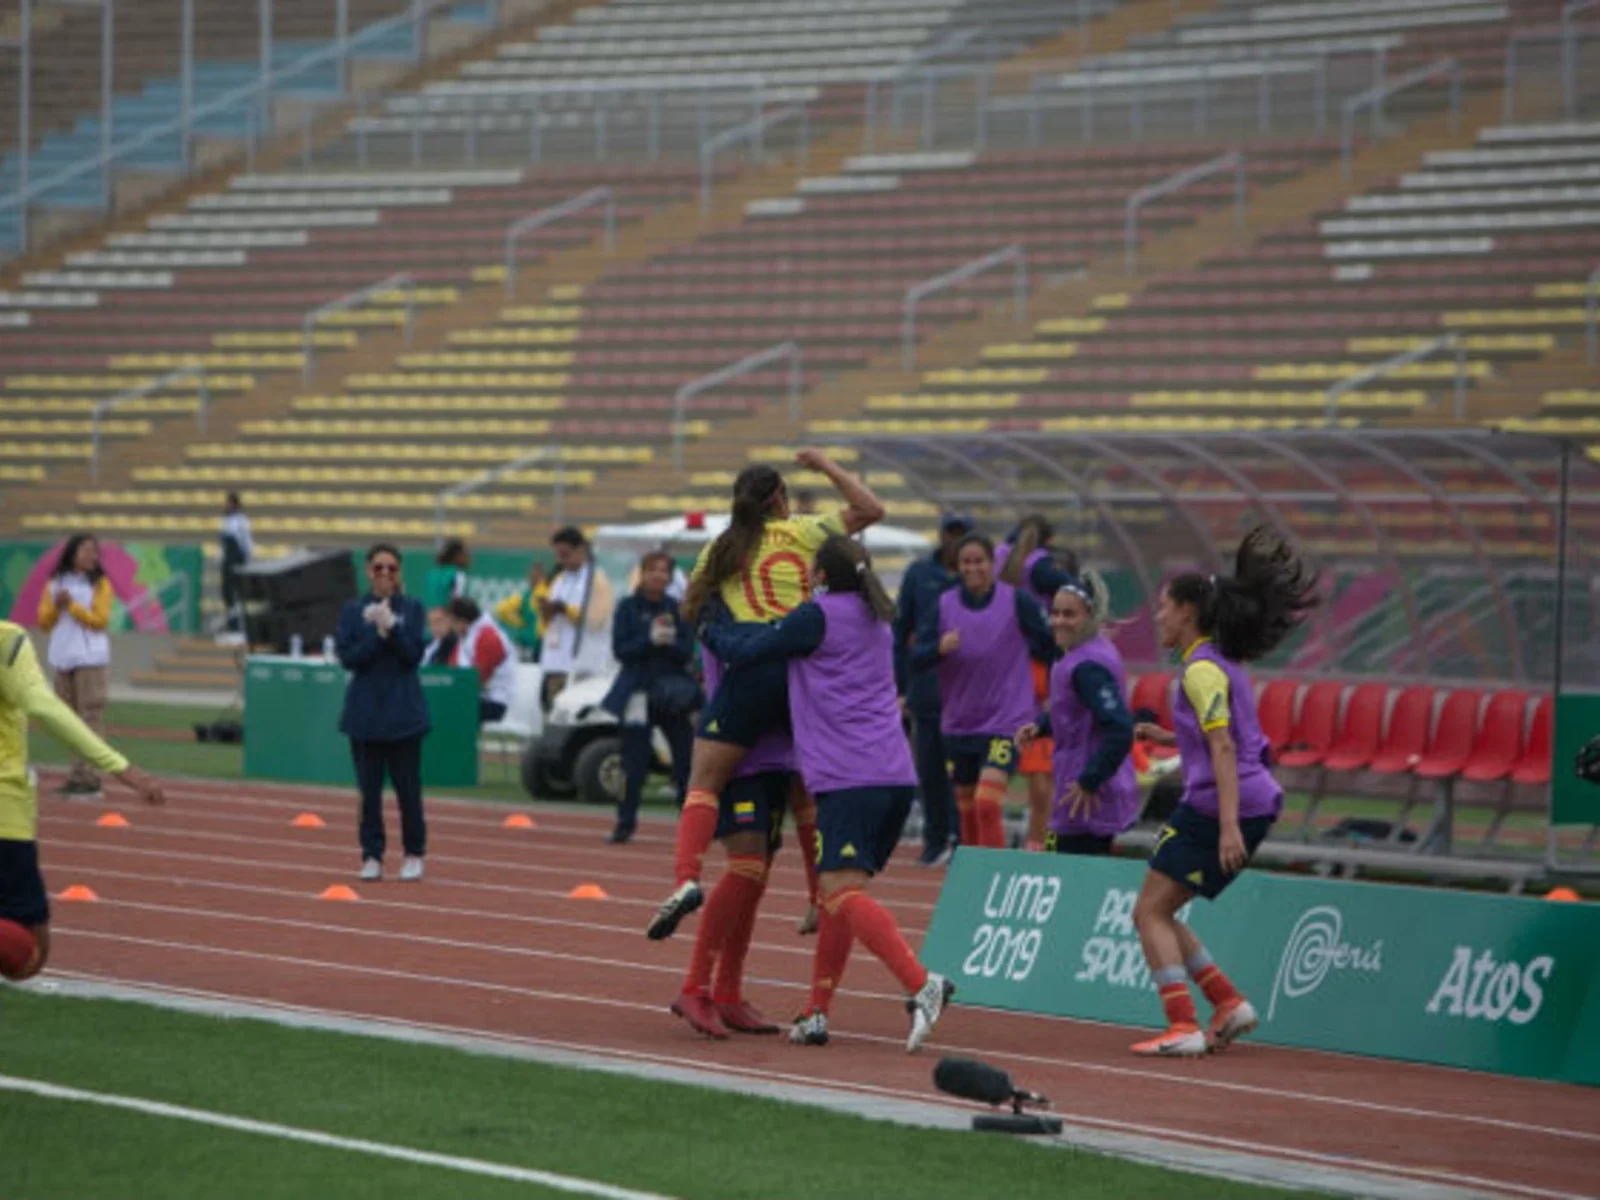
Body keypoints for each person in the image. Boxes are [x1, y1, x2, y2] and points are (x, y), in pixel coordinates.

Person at [703, 536, 953, 1053]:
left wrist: (710, 626)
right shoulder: (876, 617)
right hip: (894, 776)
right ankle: (817, 1012)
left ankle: (920, 983)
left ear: (819, 577)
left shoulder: (816, 617)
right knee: (841, 896)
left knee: (838, 891)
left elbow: (748, 651)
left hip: (848, 777)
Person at [647, 449, 885, 940]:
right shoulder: (802, 531)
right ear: (779, 497)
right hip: (802, 671)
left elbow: (691, 605)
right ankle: (819, 894)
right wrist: (827, 468)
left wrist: (719, 632)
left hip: (752, 669)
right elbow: (871, 509)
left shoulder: (721, 548)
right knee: (805, 789)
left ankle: (686, 878)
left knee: (705, 780)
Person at [1129, 526, 1319, 1056]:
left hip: (1221, 807)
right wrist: (1169, 736)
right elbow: (1224, 734)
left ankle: (1183, 1024)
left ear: (1188, 612)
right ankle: (1228, 1005)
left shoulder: (1201, 672)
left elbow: (1225, 750)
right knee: (1159, 909)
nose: (1158, 616)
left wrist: (1230, 825)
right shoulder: (1219, 662)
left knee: (1148, 912)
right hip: (1232, 802)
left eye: (1164, 606)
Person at [0, 619, 165, 986]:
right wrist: (121, 767)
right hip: (5, 812)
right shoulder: (6, 641)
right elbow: (46, 709)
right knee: (31, 954)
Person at [669, 651, 795, 1039]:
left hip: (781, 757)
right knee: (745, 868)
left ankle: (728, 991)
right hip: (740, 758)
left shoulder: (789, 603)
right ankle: (695, 987)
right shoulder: (728, 610)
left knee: (756, 879)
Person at [913, 534, 1056, 850]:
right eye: (967, 562)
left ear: (992, 565)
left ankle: (996, 874)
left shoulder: (1017, 602)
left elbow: (1050, 646)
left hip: (1006, 723)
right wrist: (938, 648)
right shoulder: (944, 605)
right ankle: (973, 876)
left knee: (987, 804)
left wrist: (1053, 691)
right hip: (960, 724)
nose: (973, 568)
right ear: (958, 566)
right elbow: (916, 658)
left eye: (979, 561)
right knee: (967, 811)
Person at [1015, 570, 1138, 856]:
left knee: (1074, 880)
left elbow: (1120, 729)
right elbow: (1077, 711)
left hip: (1087, 800)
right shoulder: (1082, 653)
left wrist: (1089, 780)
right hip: (1079, 791)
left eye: (1069, 615)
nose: (1058, 621)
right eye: (1055, 613)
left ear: (1089, 616)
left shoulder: (1088, 665)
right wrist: (1043, 725)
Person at [336, 543, 430, 884]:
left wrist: (393, 629)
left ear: (400, 572)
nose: (385, 574)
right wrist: (376, 636)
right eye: (379, 567)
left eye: (392, 568)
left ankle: (414, 853)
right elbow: (349, 657)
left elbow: (413, 655)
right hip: (365, 715)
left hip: (404, 715)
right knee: (369, 792)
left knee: (408, 791)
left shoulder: (413, 609)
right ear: (368, 571)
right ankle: (372, 854)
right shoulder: (352, 610)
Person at [893, 512, 972, 866]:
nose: (954, 540)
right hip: (926, 689)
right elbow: (899, 634)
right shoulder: (919, 574)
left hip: (969, 694)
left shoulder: (977, 580)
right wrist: (898, 686)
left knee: (965, 773)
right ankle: (934, 838)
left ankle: (963, 841)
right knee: (929, 769)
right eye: (950, 533)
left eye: (962, 534)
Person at [996, 516, 1079, 852]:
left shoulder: (1003, 558)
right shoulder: (1042, 568)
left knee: (1037, 767)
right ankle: (1039, 841)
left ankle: (1037, 840)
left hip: (1013, 668)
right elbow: (1074, 590)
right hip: (1041, 668)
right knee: (1044, 768)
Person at [602, 551, 696, 845]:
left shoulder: (676, 608)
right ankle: (625, 821)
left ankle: (691, 827)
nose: (659, 576)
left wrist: (669, 644)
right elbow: (621, 650)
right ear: (642, 573)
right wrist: (649, 640)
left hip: (672, 694)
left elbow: (686, 652)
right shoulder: (627, 607)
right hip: (638, 694)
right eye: (653, 570)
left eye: (665, 571)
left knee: (685, 760)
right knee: (634, 762)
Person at [36, 534, 114, 797]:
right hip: (63, 657)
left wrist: (73, 606)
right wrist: (57, 607)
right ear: (72, 553)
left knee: (89, 718)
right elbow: (44, 623)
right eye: (87, 550)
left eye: (95, 551)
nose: (93, 556)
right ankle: (77, 775)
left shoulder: (100, 584)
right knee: (68, 721)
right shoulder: (55, 583)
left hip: (91, 658)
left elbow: (100, 620)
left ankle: (90, 778)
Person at [538, 527, 600, 712]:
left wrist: (564, 609)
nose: (561, 560)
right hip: (555, 660)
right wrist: (547, 611)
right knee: (551, 712)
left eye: (565, 554)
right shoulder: (559, 580)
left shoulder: (595, 580)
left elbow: (596, 620)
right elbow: (546, 621)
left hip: (579, 663)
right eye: (557, 555)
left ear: (580, 549)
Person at [447, 597, 515, 725]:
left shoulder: (488, 637)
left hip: (494, 702)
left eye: (453, 622)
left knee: (447, 710)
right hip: (473, 697)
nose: (451, 627)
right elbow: (452, 667)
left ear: (462, 621)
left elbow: (478, 679)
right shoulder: (467, 636)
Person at [494, 561, 549, 663]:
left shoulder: (548, 593)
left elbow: (501, 609)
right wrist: (520, 623)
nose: (533, 578)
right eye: (532, 576)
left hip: (542, 641)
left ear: (542, 576)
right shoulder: (524, 597)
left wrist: (520, 623)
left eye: (536, 576)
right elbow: (501, 609)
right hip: (531, 641)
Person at [220, 493, 252, 634]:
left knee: (238, 593)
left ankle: (239, 625)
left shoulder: (241, 521)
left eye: (228, 503)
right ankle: (232, 625)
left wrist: (248, 559)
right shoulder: (224, 521)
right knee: (227, 594)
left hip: (237, 561)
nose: (226, 506)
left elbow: (246, 542)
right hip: (227, 561)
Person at [425, 539, 471, 612]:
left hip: (430, 617)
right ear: (457, 556)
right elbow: (458, 602)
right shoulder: (458, 574)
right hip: (447, 618)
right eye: (465, 554)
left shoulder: (432, 573)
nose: (468, 558)